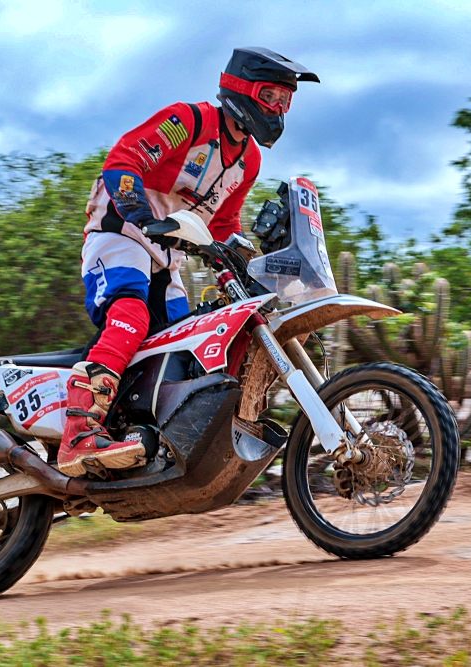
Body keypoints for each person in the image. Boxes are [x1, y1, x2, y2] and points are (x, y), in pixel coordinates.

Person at [58, 47, 319, 476]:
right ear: (242, 89)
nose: (277, 108)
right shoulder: (188, 121)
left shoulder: (249, 160)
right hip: (120, 232)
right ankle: (78, 431)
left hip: (168, 255)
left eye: (284, 101)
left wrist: (246, 263)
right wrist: (140, 213)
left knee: (181, 347)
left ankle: (138, 437)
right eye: (269, 96)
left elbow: (224, 222)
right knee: (131, 315)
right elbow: (124, 159)